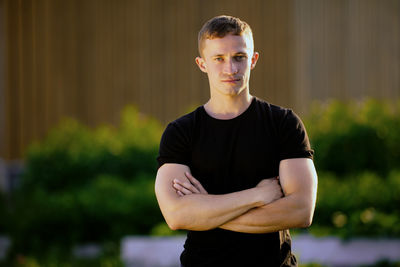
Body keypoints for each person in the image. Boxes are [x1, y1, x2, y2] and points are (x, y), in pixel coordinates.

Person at [155, 15, 318, 267]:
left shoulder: (284, 123)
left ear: (253, 60)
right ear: (202, 64)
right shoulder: (181, 131)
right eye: (219, 59)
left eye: (239, 57)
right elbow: (176, 215)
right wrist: (258, 195)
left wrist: (204, 211)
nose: (230, 69)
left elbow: (301, 210)